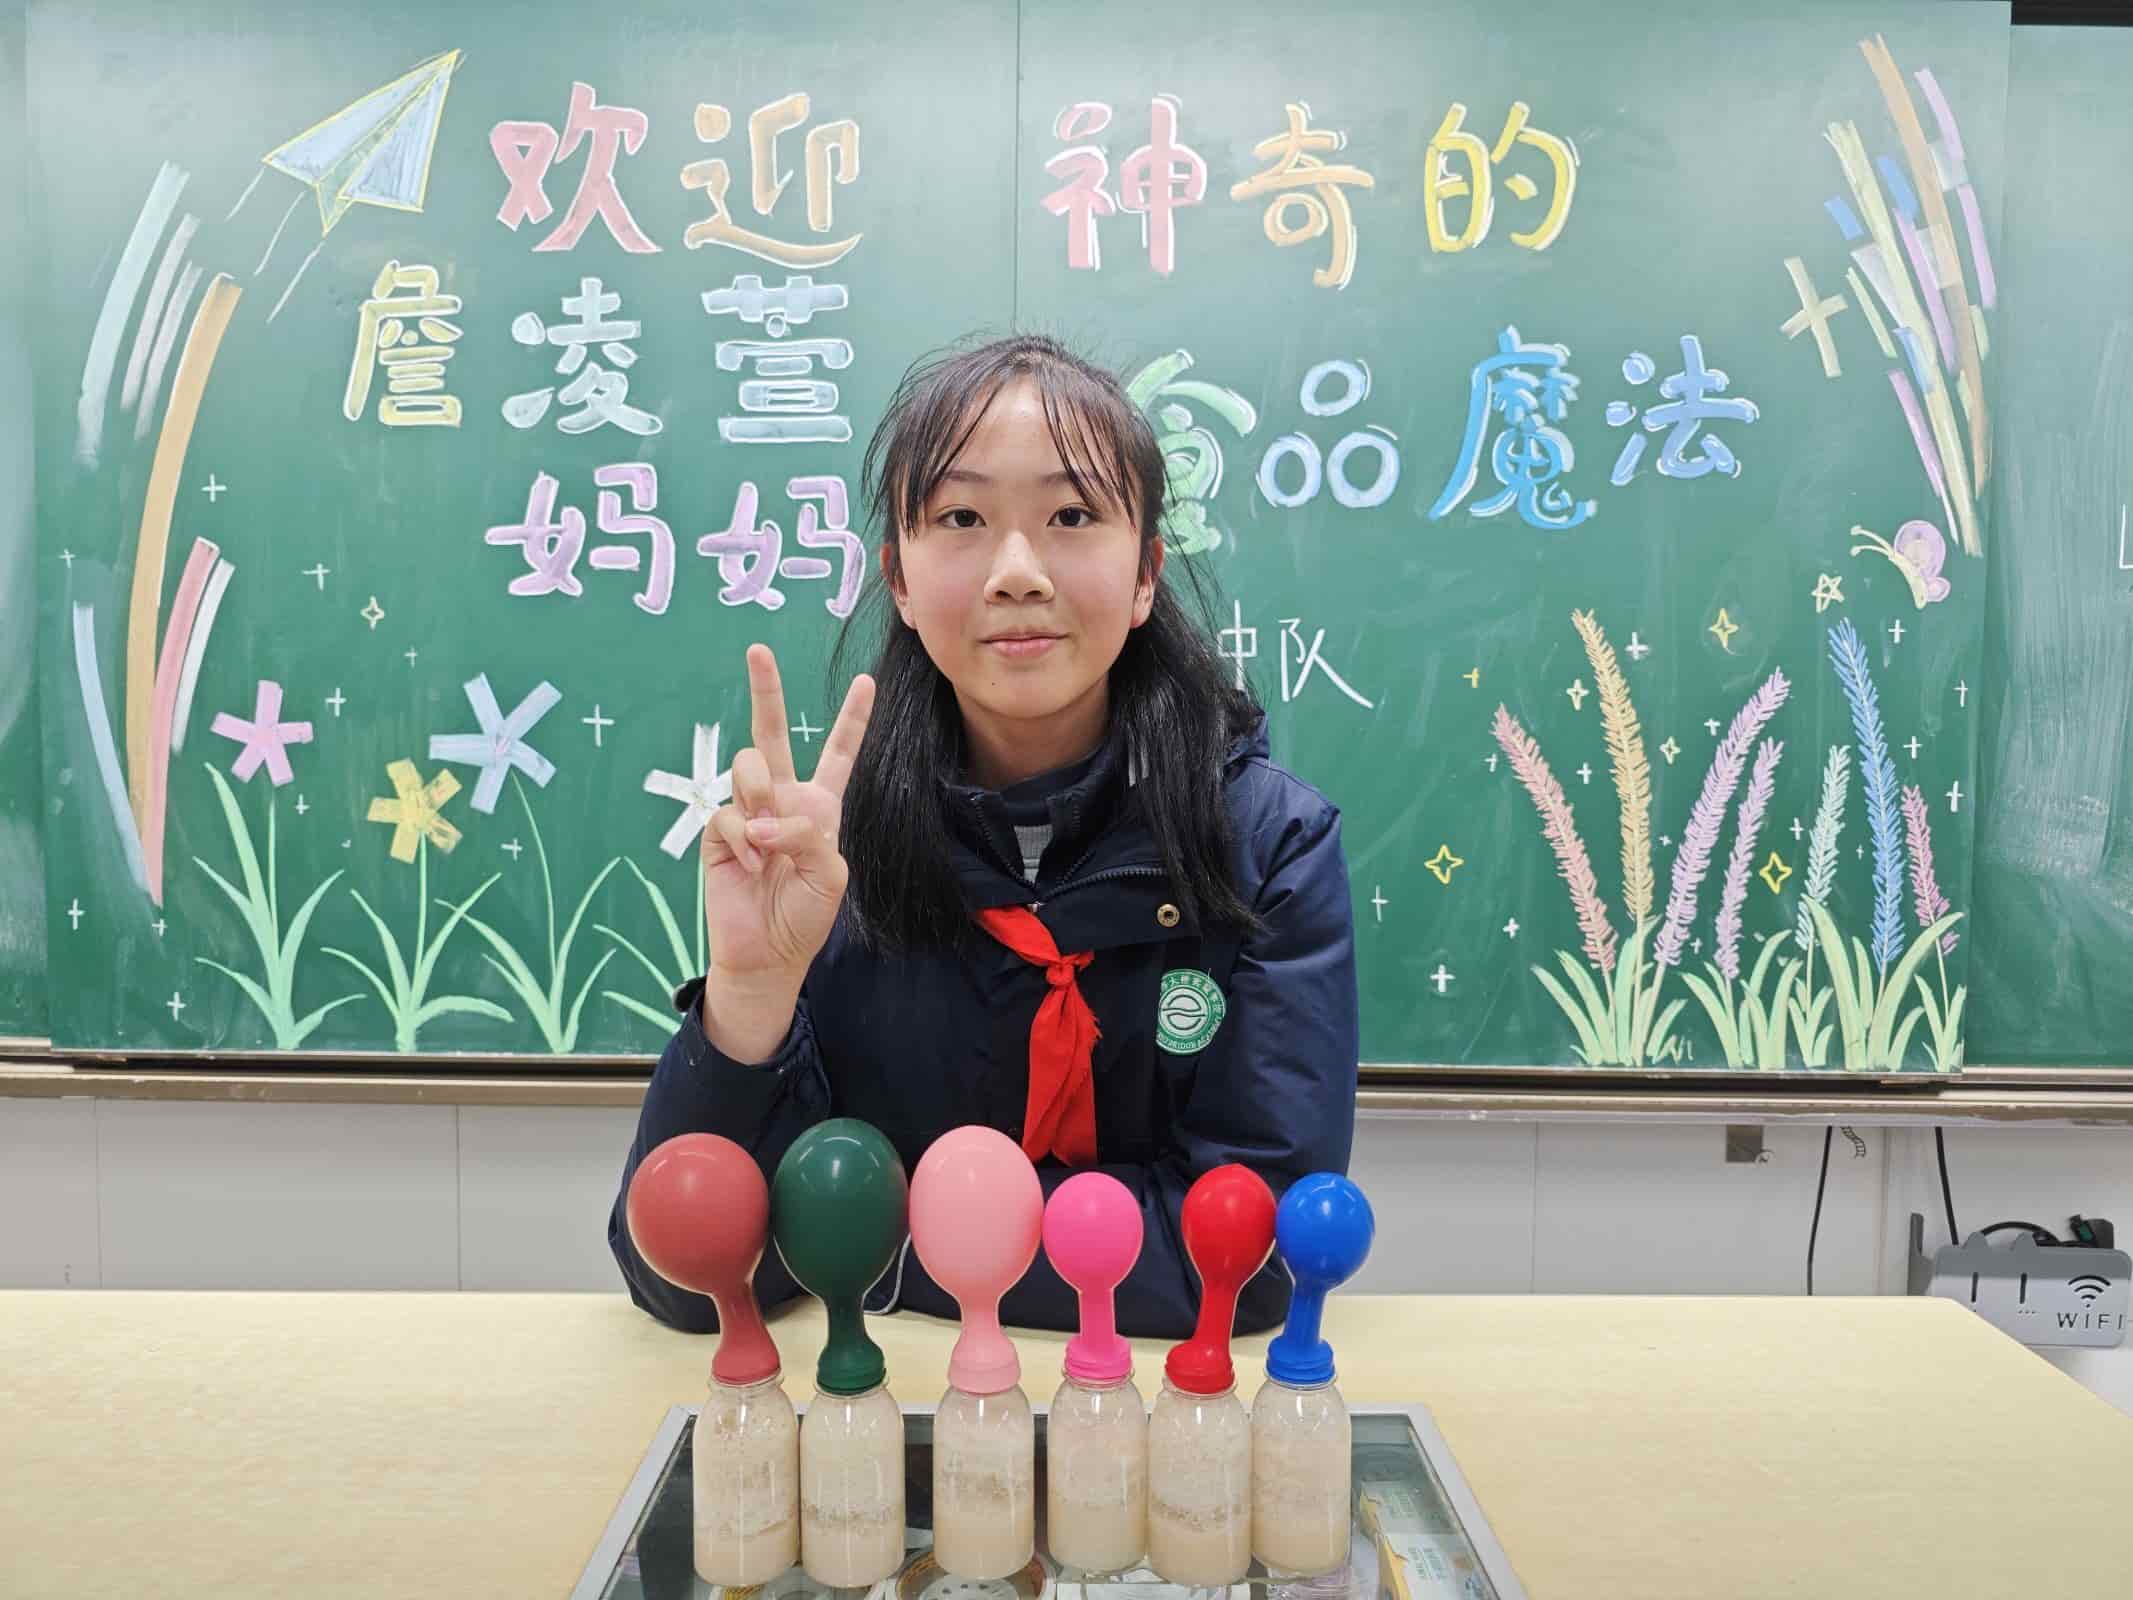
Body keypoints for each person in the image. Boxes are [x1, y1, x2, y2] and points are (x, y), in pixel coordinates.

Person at [610, 334, 1358, 1339]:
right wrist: (749, 994)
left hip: (1160, 1410)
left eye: (1071, 516)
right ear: (900, 579)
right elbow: (695, 1282)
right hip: (886, 1408)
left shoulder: (1268, 845)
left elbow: (1240, 1264)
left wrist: (872, 1249)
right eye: (962, 518)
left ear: (1146, 573)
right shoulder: (823, 854)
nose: (1017, 573)